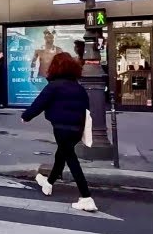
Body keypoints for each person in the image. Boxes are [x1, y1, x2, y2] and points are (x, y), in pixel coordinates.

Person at [21, 53, 96, 212]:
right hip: (77, 129)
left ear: (55, 67)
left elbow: (39, 103)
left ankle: (86, 197)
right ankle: (48, 184)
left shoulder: (54, 86)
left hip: (61, 128)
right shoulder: (79, 87)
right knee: (61, 155)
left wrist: (26, 117)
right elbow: (87, 108)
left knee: (71, 159)